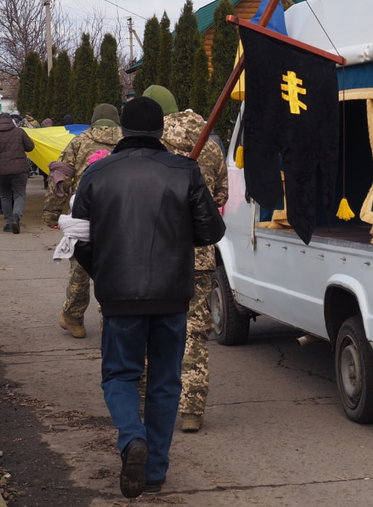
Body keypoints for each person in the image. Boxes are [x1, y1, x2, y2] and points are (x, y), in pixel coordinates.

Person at [71, 96, 224, 498]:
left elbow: (78, 238)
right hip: (172, 294)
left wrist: (104, 271)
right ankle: (154, 471)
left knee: (120, 375)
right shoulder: (185, 171)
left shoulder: (97, 173)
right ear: (160, 131)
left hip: (118, 295)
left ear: (122, 130)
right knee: (164, 381)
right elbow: (212, 232)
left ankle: (131, 438)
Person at [143, 85, 229, 433]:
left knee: (148, 327)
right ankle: (192, 410)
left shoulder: (149, 145)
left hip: (154, 251)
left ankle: (149, 403)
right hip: (198, 254)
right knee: (194, 331)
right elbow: (221, 194)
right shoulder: (209, 141)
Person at [45, 103, 122, 338]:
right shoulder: (128, 141)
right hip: (119, 216)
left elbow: (60, 179)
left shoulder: (79, 141)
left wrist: (53, 213)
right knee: (114, 270)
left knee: (80, 269)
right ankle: (110, 323)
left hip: (84, 215)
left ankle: (73, 318)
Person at [0, 113, 35, 234]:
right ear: (11, 121)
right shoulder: (19, 132)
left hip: (1, 172)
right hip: (20, 170)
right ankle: (16, 217)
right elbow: (30, 147)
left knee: (5, 196)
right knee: (19, 194)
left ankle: (9, 223)